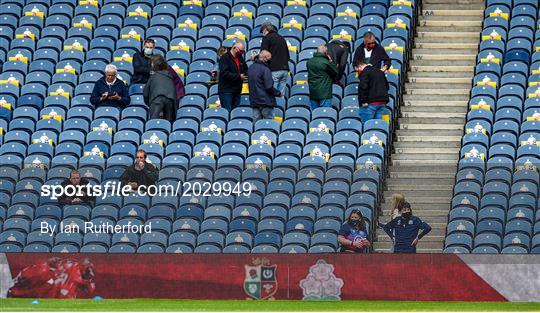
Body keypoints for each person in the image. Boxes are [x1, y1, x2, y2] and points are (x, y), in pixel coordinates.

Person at [248, 50, 282, 121]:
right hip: (266, 102)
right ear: (265, 59)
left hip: (254, 101)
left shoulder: (251, 67)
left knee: (257, 125)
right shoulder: (265, 69)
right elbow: (268, 86)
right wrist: (278, 93)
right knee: (269, 124)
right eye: (269, 58)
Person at [143, 55, 177, 122]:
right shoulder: (170, 76)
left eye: (152, 63)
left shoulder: (154, 76)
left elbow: (145, 91)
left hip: (157, 98)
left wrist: (148, 102)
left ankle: (153, 132)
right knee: (168, 122)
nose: (151, 64)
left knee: (153, 121)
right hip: (170, 99)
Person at [260, 22, 290, 95]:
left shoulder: (266, 38)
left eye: (262, 31)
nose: (262, 33)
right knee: (281, 95)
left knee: (272, 94)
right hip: (285, 70)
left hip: (274, 69)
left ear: (265, 29)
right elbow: (288, 56)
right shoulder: (281, 38)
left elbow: (263, 54)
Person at [218, 41, 248, 111]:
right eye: (241, 51)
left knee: (235, 112)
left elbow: (245, 68)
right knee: (227, 111)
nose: (241, 53)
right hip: (226, 90)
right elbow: (225, 73)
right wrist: (239, 76)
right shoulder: (225, 58)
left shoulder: (240, 57)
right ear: (235, 48)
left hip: (237, 90)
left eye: (243, 51)